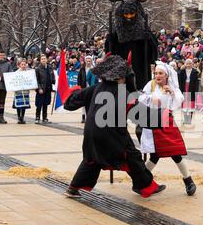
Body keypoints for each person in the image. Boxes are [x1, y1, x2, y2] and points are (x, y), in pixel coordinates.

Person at [63, 55, 166, 198]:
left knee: (91, 160)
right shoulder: (123, 93)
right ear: (120, 77)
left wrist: (74, 91)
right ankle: (145, 186)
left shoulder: (94, 88)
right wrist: (162, 118)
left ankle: (73, 188)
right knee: (132, 157)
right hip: (113, 133)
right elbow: (141, 114)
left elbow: (70, 103)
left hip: (92, 131)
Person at [139, 62, 196, 196]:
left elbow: (179, 101)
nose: (157, 75)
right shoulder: (151, 84)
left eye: (160, 73)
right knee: (154, 155)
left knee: (175, 153)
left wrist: (172, 94)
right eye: (156, 73)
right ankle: (141, 182)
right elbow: (141, 98)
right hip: (152, 121)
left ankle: (189, 181)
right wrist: (151, 98)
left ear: (166, 75)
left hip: (166, 121)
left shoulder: (172, 86)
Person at [178, 59, 200, 125]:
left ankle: (189, 119)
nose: (188, 65)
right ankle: (186, 119)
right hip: (184, 88)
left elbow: (196, 83)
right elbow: (180, 81)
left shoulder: (195, 72)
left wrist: (196, 91)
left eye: (190, 63)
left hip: (192, 89)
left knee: (190, 105)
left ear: (192, 64)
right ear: (185, 64)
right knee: (185, 104)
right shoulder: (182, 72)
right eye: (187, 63)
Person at [35, 54, 55, 124]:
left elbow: (53, 77)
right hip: (41, 89)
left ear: (47, 60)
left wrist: (54, 83)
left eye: (45, 59)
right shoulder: (37, 69)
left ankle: (44, 117)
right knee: (39, 104)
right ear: (40, 60)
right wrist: (39, 88)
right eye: (42, 59)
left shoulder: (50, 68)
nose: (44, 60)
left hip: (48, 88)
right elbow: (36, 80)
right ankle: (37, 117)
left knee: (46, 104)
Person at [13, 59, 31, 124]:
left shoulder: (28, 73)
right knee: (18, 105)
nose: (23, 66)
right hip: (18, 92)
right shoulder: (16, 73)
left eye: (24, 64)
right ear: (19, 65)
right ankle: (19, 117)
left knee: (24, 106)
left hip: (25, 91)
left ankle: (22, 117)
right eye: (22, 64)